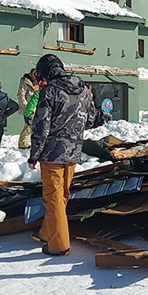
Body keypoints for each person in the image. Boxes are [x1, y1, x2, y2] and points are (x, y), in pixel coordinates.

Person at [27, 55, 96, 256]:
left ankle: (58, 245)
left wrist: (34, 155)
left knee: (53, 198)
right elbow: (91, 120)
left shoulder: (49, 91)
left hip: (52, 154)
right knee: (61, 196)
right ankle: (47, 233)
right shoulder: (84, 90)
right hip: (74, 152)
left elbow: (41, 127)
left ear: (46, 72)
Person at [17, 69, 38, 149]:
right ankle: (23, 143)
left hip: (36, 105)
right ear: (30, 73)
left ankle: (26, 142)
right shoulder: (25, 81)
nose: (36, 75)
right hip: (28, 106)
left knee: (32, 125)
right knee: (29, 125)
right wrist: (26, 106)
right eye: (34, 74)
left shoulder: (38, 81)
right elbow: (21, 94)